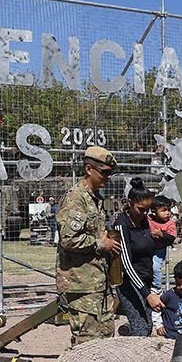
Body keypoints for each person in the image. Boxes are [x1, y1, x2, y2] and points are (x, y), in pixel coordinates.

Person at [56, 146, 122, 346]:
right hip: (81, 283)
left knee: (105, 338)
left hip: (98, 281)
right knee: (87, 342)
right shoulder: (76, 198)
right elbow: (69, 239)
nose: (108, 177)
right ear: (88, 169)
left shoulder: (95, 199)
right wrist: (102, 243)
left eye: (111, 173)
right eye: (105, 172)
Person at [113, 178, 164, 337]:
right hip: (130, 284)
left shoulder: (144, 222)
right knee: (140, 329)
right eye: (141, 209)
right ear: (130, 203)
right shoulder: (121, 225)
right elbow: (126, 263)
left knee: (148, 326)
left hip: (145, 282)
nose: (144, 214)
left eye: (148, 210)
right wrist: (147, 294)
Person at [149, 195, 176, 290]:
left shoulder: (169, 223)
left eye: (168, 210)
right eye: (164, 210)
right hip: (148, 248)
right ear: (154, 211)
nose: (167, 213)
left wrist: (161, 234)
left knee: (155, 267)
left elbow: (171, 238)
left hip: (159, 250)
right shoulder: (149, 219)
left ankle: (157, 287)